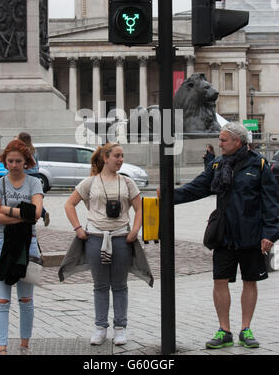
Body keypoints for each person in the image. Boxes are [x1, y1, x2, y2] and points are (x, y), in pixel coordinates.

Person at [173, 122, 279, 349]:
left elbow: (272, 203)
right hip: (223, 234)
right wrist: (170, 195)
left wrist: (270, 234)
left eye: (223, 140)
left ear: (237, 142)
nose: (219, 144)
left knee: (250, 280)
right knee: (219, 280)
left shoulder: (259, 164)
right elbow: (197, 188)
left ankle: (246, 328)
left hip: (251, 234)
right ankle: (225, 330)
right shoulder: (217, 164)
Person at [64, 142, 147, 346]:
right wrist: (78, 228)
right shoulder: (90, 182)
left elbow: (140, 208)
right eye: (116, 156)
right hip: (95, 238)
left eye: (122, 156)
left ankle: (120, 328)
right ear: (105, 158)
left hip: (121, 238)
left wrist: (135, 230)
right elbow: (69, 204)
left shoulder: (127, 183)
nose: (120, 160)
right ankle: (100, 327)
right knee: (100, 285)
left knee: (120, 285)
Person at [0, 139, 43, 355]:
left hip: (28, 244)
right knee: (1, 299)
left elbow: (36, 214)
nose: (13, 164)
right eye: (9, 161)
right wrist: (23, 215)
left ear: (26, 162)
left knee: (26, 299)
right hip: (1, 245)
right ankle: (2, 348)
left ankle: (24, 344)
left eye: (18, 161)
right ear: (5, 161)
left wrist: (6, 209)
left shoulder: (34, 183)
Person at [17, 132, 50, 226]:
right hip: (36, 174)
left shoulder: (22, 150)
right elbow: (37, 164)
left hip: (26, 175)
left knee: (26, 197)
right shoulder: (34, 150)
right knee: (35, 196)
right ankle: (42, 213)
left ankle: (39, 214)